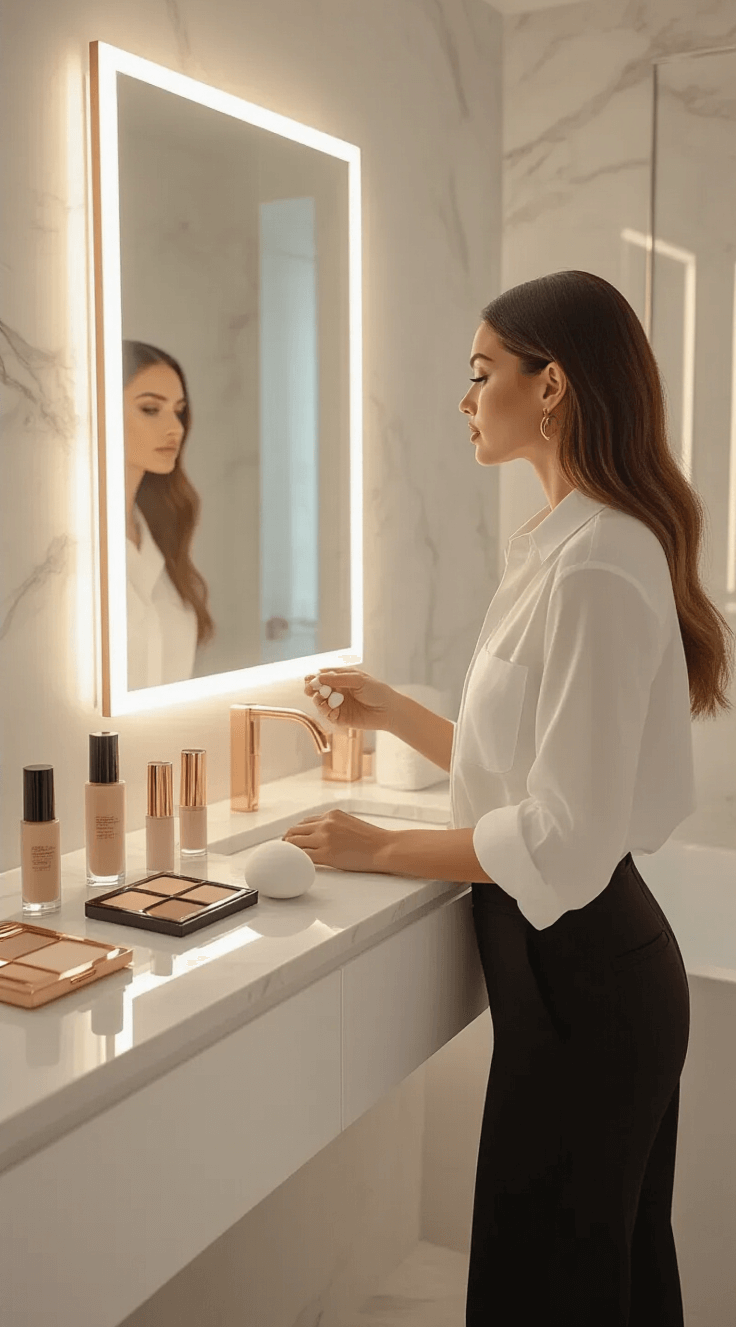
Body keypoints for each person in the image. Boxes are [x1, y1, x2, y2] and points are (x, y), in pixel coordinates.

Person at [283, 270, 734, 1325]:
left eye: (481, 371)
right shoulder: (566, 546)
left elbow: (561, 840)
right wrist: (394, 713)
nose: (463, 396)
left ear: (551, 385)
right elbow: (532, 778)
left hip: (590, 988)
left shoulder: (594, 564)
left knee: (560, 1288)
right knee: (590, 1278)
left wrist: (374, 846)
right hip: (576, 984)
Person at [123, 340, 215, 689]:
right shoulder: (69, 547)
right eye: (150, 409)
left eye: (178, 411)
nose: (175, 427)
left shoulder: (161, 535)